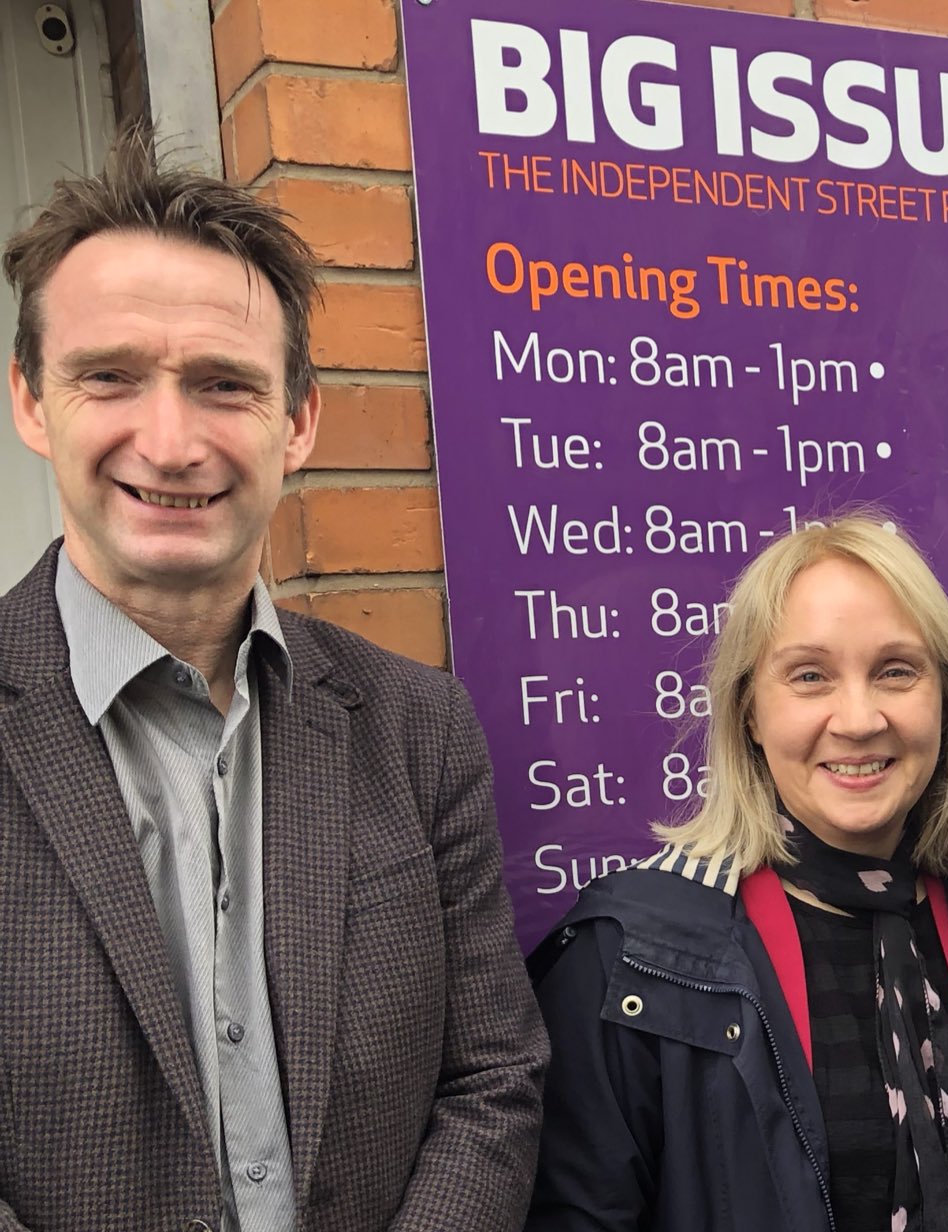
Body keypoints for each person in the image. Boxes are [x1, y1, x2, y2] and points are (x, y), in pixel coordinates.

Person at [0, 125, 545, 1230]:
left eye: (221, 384)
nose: (170, 440)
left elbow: (492, 1077)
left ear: (295, 421)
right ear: (29, 400)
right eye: (108, 377)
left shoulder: (415, 725)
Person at [527, 516, 948, 1232]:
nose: (860, 718)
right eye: (810, 676)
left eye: (897, 670)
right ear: (748, 711)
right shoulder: (626, 958)